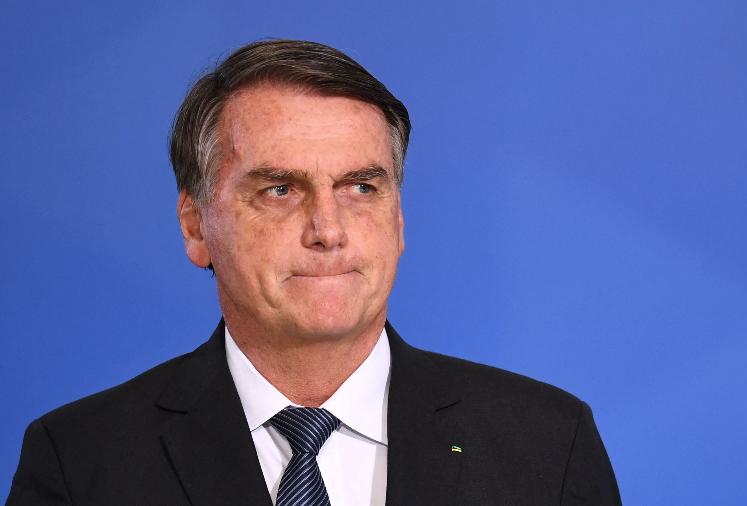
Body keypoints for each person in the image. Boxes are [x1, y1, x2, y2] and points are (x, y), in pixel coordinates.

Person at [7, 40, 620, 505]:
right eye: (279, 189)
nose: (328, 229)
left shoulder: (547, 444)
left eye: (360, 187)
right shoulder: (81, 461)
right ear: (196, 226)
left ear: (398, 220)